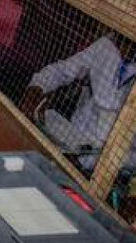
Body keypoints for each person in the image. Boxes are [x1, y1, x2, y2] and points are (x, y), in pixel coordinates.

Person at [19, 34, 136, 176]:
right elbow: (62, 70)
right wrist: (38, 87)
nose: (121, 48)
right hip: (71, 137)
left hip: (105, 166)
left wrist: (86, 161)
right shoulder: (106, 46)